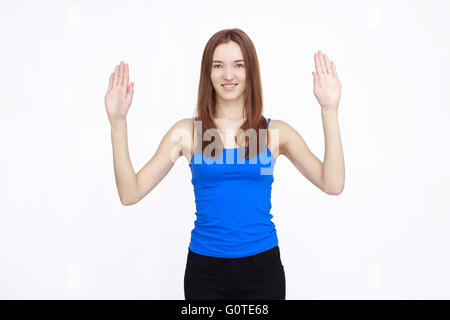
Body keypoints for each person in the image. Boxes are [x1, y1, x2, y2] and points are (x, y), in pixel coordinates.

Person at [104, 28, 345, 300]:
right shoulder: (188, 133)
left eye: (238, 65)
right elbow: (130, 192)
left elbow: (332, 183)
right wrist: (118, 123)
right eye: (218, 66)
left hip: (262, 268)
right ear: (208, 72)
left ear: (250, 71)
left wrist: (329, 111)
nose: (228, 75)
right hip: (205, 271)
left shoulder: (274, 133)